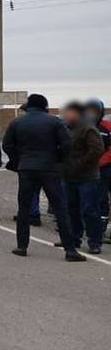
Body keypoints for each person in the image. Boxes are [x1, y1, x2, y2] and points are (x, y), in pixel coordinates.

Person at [2, 93, 85, 261]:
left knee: (24, 208)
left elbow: (7, 145)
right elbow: (67, 145)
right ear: (44, 106)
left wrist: (19, 160)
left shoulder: (17, 122)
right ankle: (70, 251)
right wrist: (58, 160)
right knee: (60, 208)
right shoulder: (55, 122)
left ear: (29, 106)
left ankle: (21, 246)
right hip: (50, 169)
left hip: (26, 169)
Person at [62, 102, 104, 254]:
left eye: (69, 113)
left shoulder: (88, 128)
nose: (66, 115)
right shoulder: (65, 129)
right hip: (68, 177)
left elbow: (97, 150)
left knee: (90, 210)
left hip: (87, 177)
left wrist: (79, 164)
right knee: (71, 209)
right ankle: (74, 239)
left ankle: (95, 242)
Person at [84, 99, 111, 240]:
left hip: (105, 169)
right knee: (94, 199)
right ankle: (95, 229)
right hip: (90, 171)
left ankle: (101, 228)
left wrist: (98, 162)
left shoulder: (107, 127)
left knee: (102, 200)